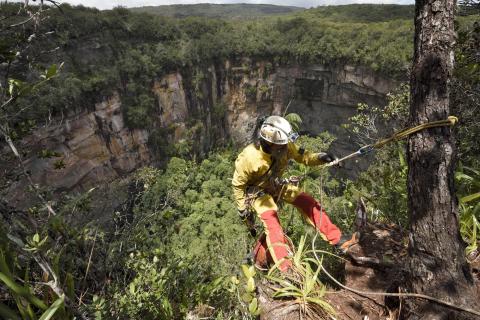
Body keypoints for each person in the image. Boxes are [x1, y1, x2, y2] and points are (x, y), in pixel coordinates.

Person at [232, 115, 359, 272]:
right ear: (270, 143)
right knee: (273, 225)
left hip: (276, 185)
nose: (286, 148)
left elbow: (304, 157)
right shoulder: (249, 157)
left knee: (307, 202)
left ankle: (339, 240)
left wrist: (322, 157)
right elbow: (238, 186)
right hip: (257, 193)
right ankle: (287, 270)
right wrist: (243, 210)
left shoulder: (284, 147)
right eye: (281, 145)